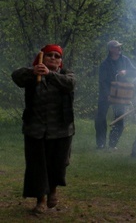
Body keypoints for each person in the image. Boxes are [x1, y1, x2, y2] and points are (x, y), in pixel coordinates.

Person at [11, 44, 75, 214]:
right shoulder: (32, 74)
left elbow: (70, 84)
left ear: (61, 61)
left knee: (58, 164)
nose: (53, 58)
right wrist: (33, 72)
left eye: (57, 56)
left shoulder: (66, 74)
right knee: (38, 165)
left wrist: (50, 75)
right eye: (49, 55)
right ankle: (41, 199)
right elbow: (16, 76)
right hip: (36, 129)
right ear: (42, 58)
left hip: (61, 130)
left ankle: (53, 190)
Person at [95, 40, 136, 150]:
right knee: (100, 118)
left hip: (120, 92)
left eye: (119, 47)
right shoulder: (104, 64)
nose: (119, 49)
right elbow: (102, 81)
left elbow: (135, 72)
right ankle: (101, 143)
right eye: (116, 47)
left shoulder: (125, 60)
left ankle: (112, 143)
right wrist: (107, 94)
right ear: (111, 49)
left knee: (119, 118)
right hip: (106, 93)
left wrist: (126, 72)